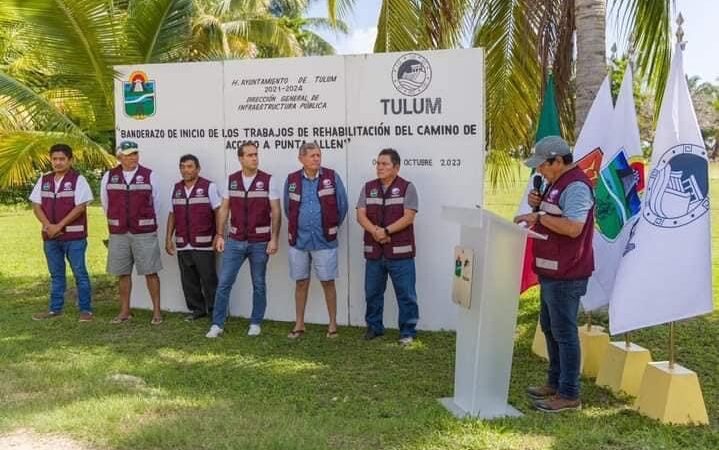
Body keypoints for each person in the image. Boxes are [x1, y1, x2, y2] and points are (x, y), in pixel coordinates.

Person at [513, 135, 595, 412]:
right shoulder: (555, 183)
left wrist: (538, 217)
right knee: (550, 328)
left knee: (564, 332)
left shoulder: (577, 187)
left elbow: (573, 227)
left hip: (567, 272)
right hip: (551, 269)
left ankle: (569, 394)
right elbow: (554, 214)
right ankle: (555, 382)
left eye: (542, 165)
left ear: (558, 161)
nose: (538, 171)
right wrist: (538, 203)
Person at [206, 142, 281, 338]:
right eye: (249, 155)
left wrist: (274, 239)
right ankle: (217, 324)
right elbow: (224, 209)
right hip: (235, 240)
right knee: (224, 283)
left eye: (256, 155)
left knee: (259, 283)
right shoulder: (231, 180)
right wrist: (220, 234)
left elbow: (276, 211)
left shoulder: (268, 180)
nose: (254, 158)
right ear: (240, 158)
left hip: (260, 242)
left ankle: (256, 323)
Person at [284, 142, 348, 339]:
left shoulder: (332, 177)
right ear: (301, 158)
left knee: (328, 282)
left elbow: (342, 206)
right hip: (299, 241)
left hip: (324, 241)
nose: (317, 159)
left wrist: (330, 225)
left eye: (318, 155)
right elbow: (288, 209)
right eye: (312, 156)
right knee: (301, 282)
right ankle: (299, 324)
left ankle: (332, 325)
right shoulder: (292, 179)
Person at [356, 148, 419, 346]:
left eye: (385, 164)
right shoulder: (368, 187)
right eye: (378, 163)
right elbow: (360, 214)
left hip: (400, 254)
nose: (380, 167)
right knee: (372, 292)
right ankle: (374, 328)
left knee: (406, 294)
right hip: (374, 253)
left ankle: (407, 331)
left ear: (396, 167)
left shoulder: (407, 187)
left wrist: (386, 231)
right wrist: (376, 231)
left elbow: (408, 217)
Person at [101, 140, 163, 325]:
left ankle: (157, 312)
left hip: (143, 232)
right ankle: (125, 311)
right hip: (119, 232)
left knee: (151, 272)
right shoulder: (109, 176)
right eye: (128, 154)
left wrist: (146, 223)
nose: (133, 157)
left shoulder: (150, 176)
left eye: (135, 153)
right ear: (119, 157)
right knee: (122, 273)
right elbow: (106, 203)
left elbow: (157, 204)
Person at [29, 144, 94, 321]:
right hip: (50, 237)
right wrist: (48, 225)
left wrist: (59, 226)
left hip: (74, 237)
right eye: (54, 159)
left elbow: (80, 207)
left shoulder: (78, 180)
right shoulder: (44, 180)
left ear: (70, 160)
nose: (58, 162)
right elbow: (36, 205)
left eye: (62, 159)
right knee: (56, 275)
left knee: (80, 273)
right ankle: (54, 309)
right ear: (50, 160)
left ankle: (85, 310)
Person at [165, 154, 221, 321]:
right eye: (182, 167)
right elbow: (172, 214)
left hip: (204, 243)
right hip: (183, 243)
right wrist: (168, 238)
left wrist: (219, 235)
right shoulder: (176, 188)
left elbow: (219, 211)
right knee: (188, 280)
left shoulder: (208, 187)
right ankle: (197, 310)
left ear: (197, 169)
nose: (186, 170)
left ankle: (215, 311)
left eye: (189, 167)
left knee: (209, 279)